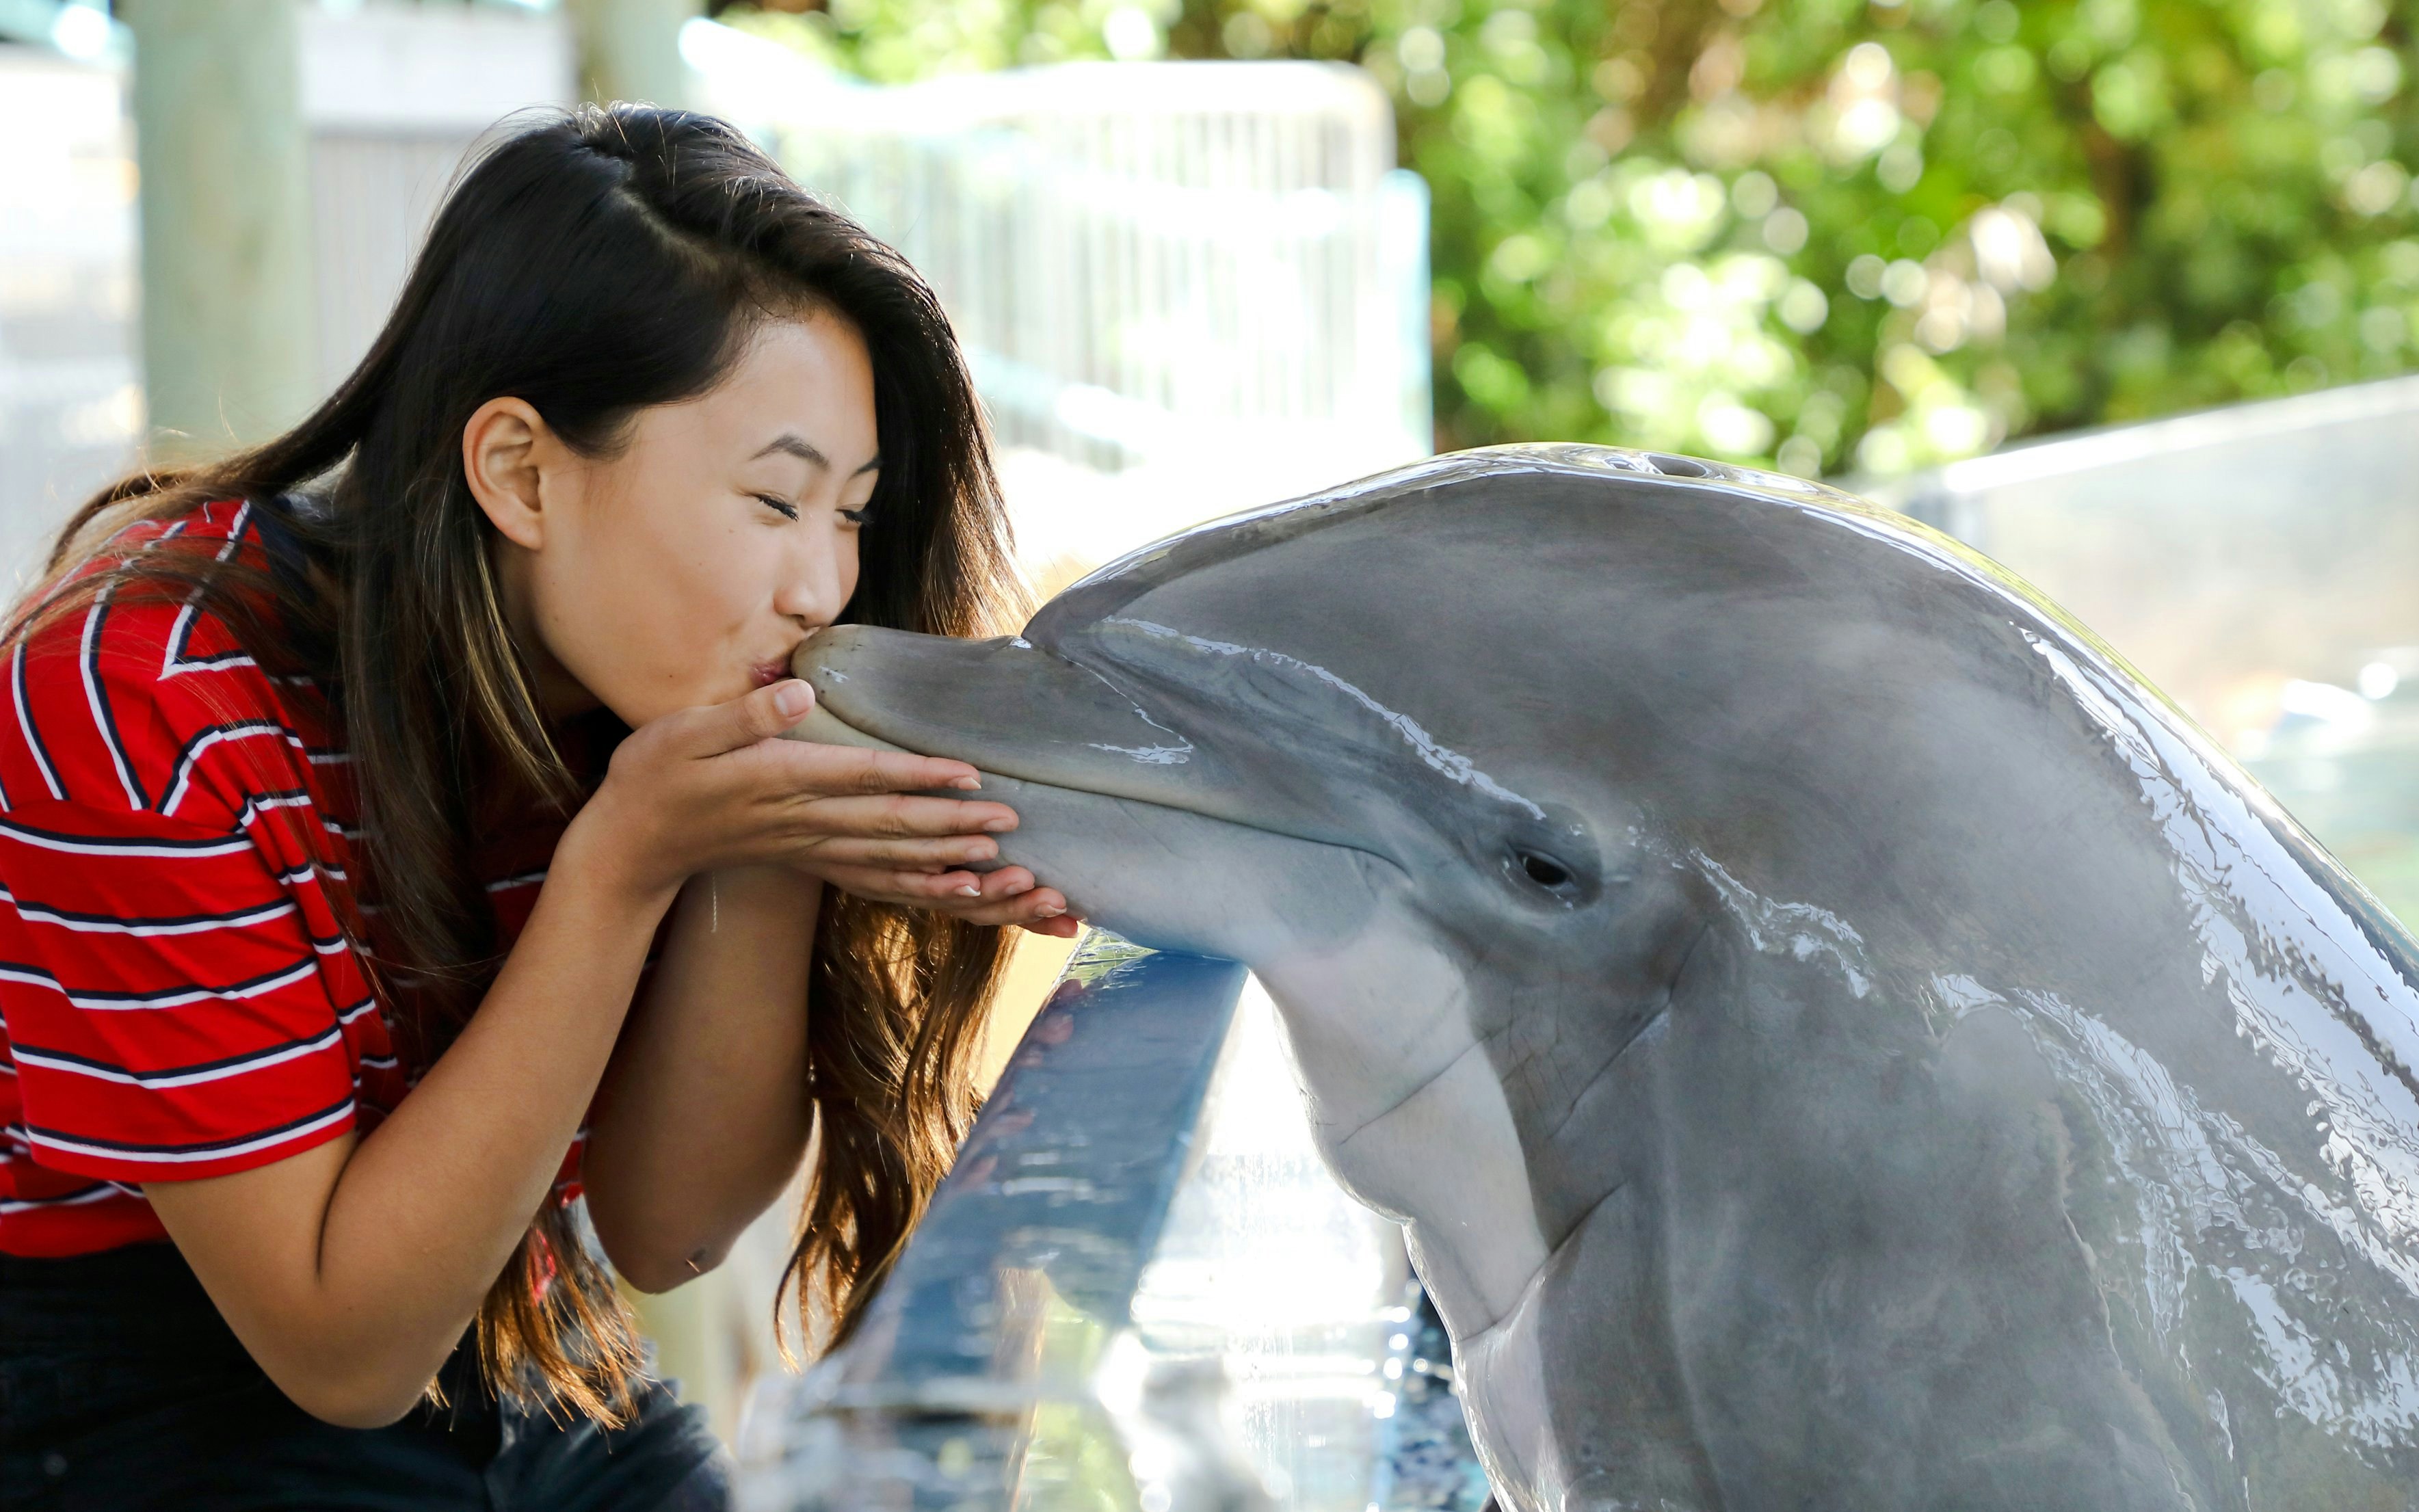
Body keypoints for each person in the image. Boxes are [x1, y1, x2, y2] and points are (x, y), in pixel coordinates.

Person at [0, 105, 1076, 1510]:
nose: (822, 587)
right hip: (139, 1393)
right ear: (519, 470)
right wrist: (623, 862)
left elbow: (667, 1226)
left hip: (510, 1328)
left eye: (851, 514)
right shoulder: (141, 705)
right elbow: (343, 1351)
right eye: (773, 500)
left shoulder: (640, 686)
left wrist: (763, 845)